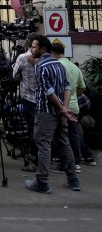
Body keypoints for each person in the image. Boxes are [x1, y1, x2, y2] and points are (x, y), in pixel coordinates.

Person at [25, 35, 80, 194]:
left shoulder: (41, 66)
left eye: (34, 47)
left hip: (47, 112)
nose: (31, 49)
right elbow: (67, 87)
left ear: (43, 49)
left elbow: (48, 91)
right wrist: (64, 107)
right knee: (64, 143)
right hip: (59, 111)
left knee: (43, 145)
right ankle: (73, 179)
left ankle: (42, 182)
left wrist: (62, 108)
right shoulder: (59, 65)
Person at [50, 44, 87, 171]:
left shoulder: (57, 66)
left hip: (61, 105)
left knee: (61, 136)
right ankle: (76, 162)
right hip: (74, 105)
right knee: (73, 135)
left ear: (53, 53)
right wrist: (74, 94)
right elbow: (82, 87)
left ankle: (64, 163)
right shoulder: (74, 66)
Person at [13, 34, 38, 170]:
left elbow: (14, 76)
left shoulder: (23, 58)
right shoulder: (45, 58)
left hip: (28, 97)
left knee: (32, 128)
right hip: (42, 98)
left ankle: (33, 157)